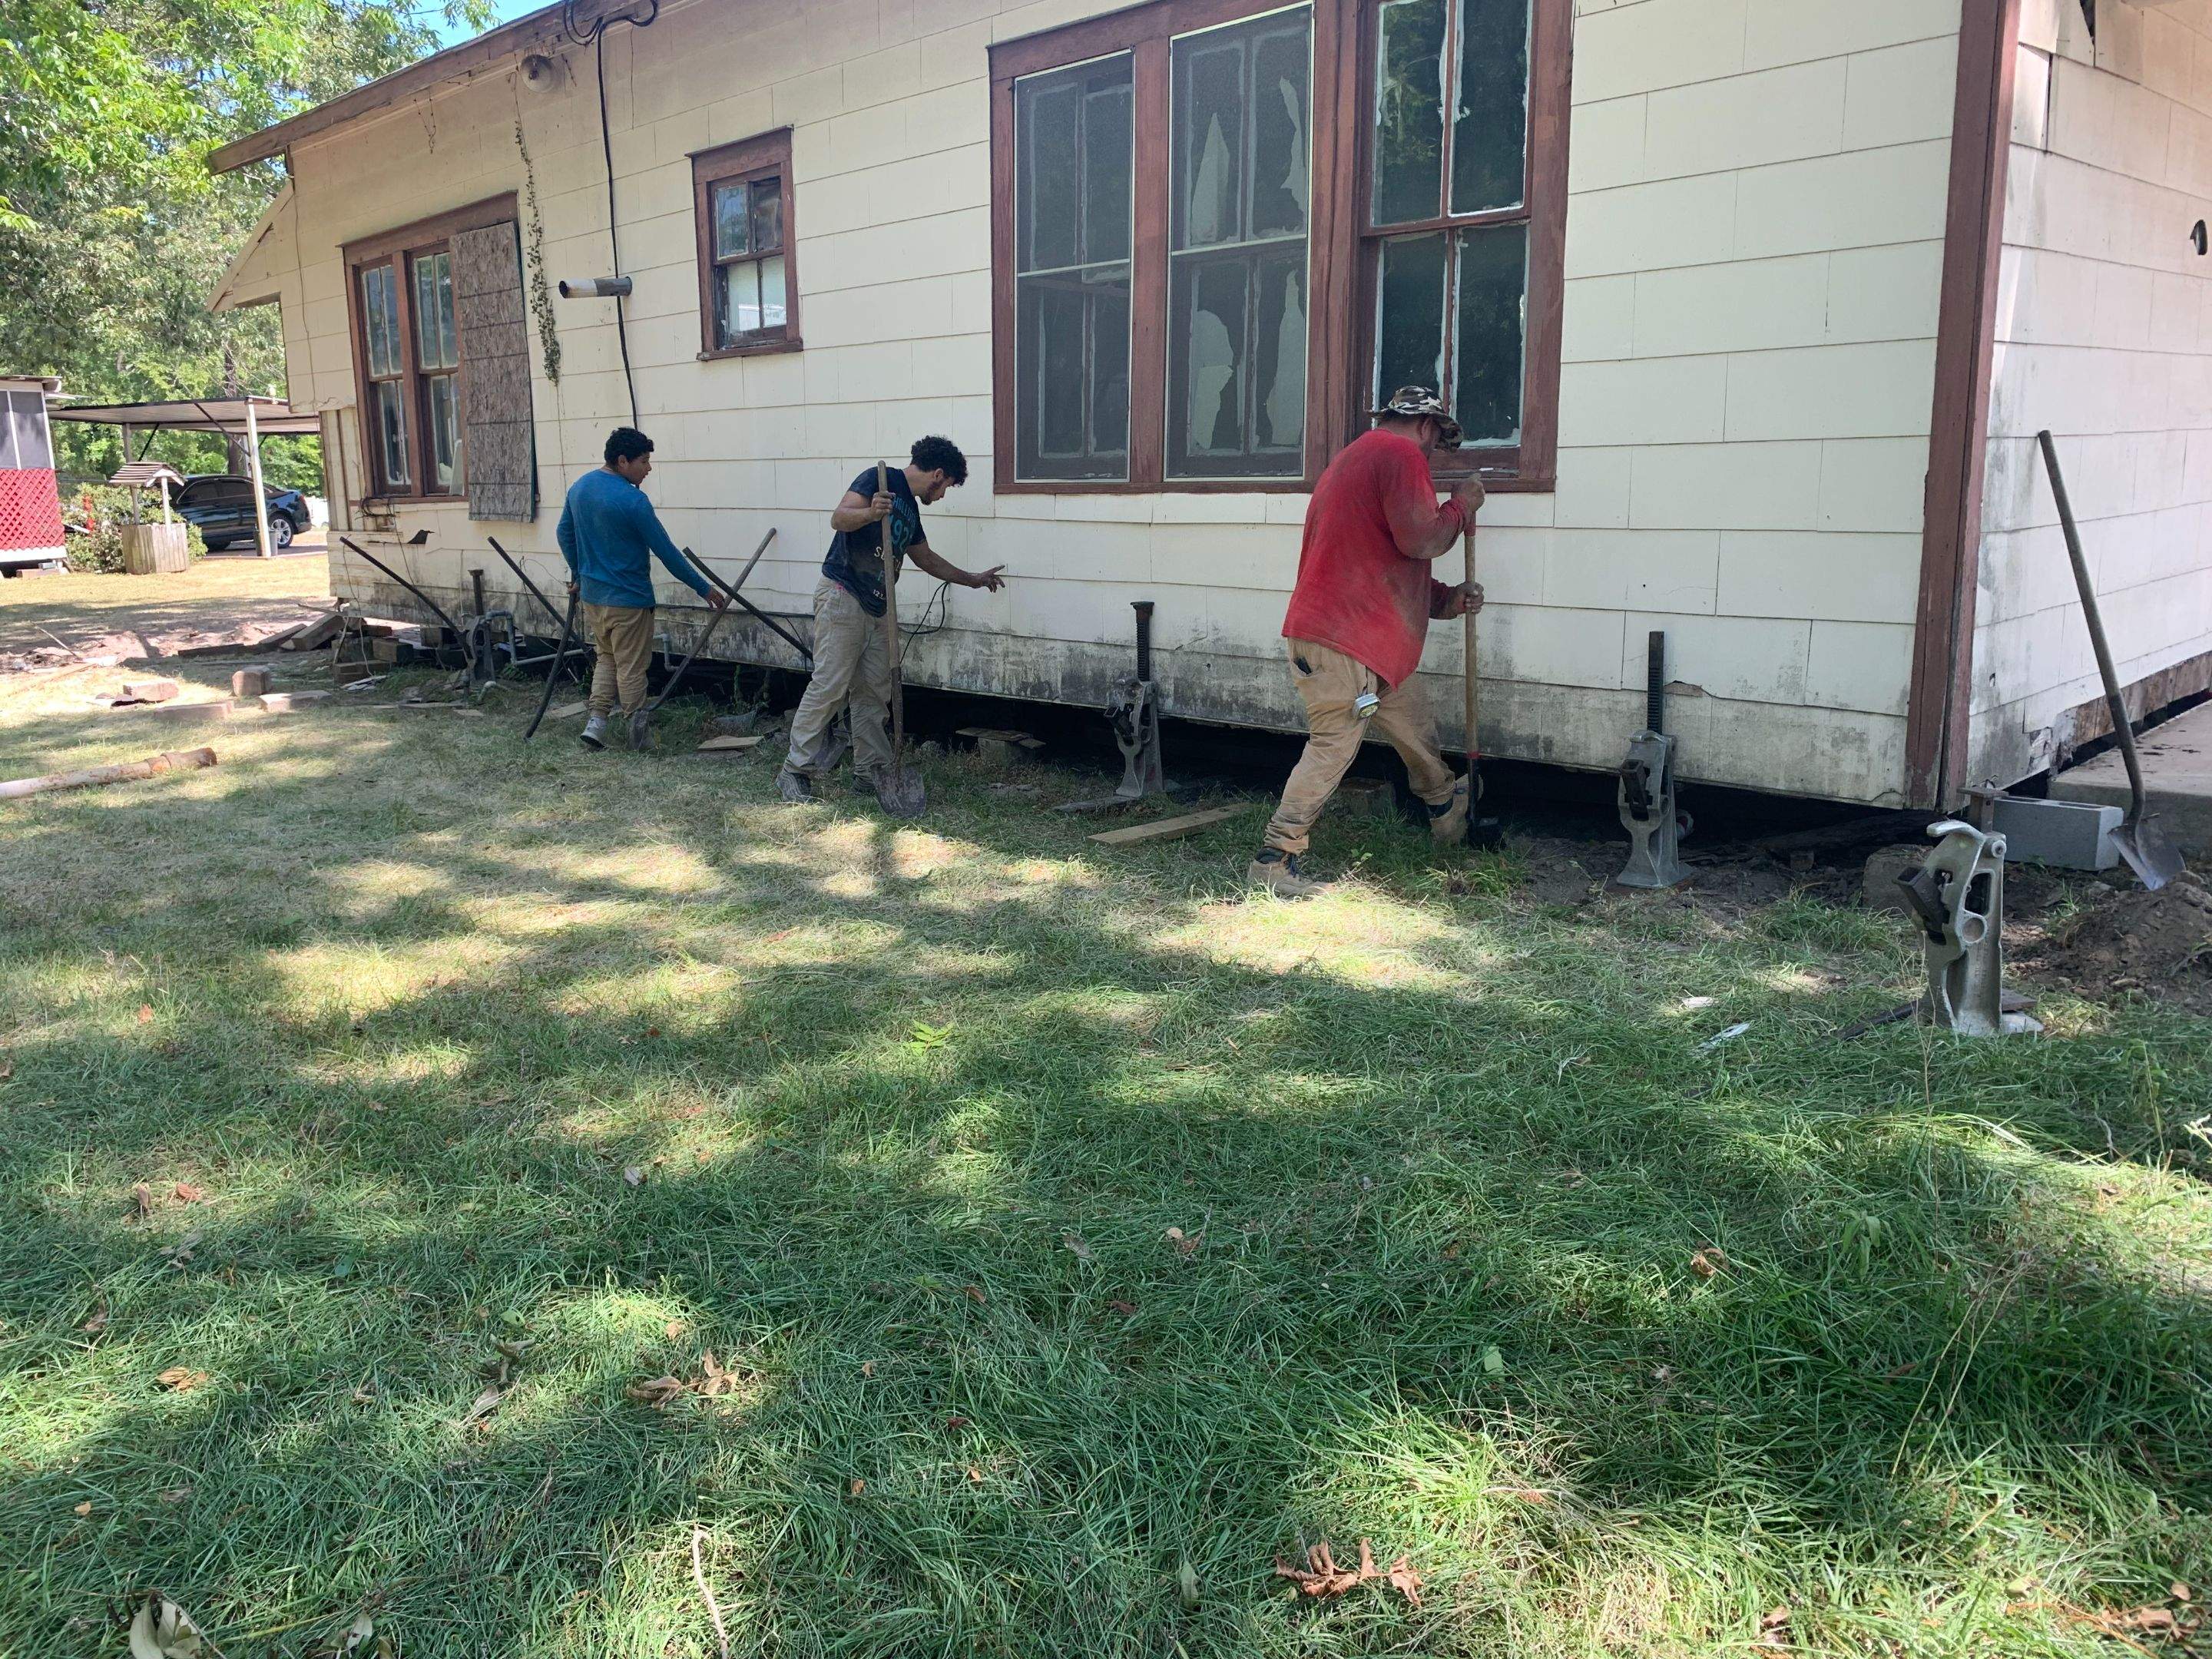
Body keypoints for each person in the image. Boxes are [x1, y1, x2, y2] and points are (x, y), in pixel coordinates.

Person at [1247, 387, 1486, 898]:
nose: (1433, 453)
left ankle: (1450, 819)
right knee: (1332, 747)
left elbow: (1384, 561)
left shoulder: (1356, 458)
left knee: (1417, 729)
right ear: (1426, 425)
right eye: (1437, 441)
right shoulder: (1400, 453)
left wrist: (1448, 600)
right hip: (1345, 642)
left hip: (1359, 640)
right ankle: (1275, 858)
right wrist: (1462, 506)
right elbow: (1422, 539)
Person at [776, 435, 1006, 813]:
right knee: (830, 685)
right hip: (844, 595)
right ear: (937, 474)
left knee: (873, 691)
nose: (942, 495)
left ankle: (870, 772)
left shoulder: (910, 510)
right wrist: (870, 513)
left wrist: (973, 580)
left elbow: (926, 559)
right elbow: (839, 518)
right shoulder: (877, 480)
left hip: (880, 606)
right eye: (946, 487)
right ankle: (794, 770)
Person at [556, 426, 726, 752]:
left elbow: (564, 533)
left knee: (607, 658)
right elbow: (667, 552)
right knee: (632, 668)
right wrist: (704, 588)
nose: (648, 468)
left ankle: (596, 724)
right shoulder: (634, 501)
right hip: (629, 600)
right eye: (644, 461)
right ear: (623, 461)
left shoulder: (580, 489)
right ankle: (639, 737)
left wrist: (578, 573)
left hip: (593, 597)